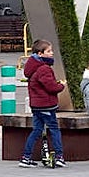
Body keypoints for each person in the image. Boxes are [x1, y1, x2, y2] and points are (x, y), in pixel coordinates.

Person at [19, 40, 67, 168]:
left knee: (37, 130)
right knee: (54, 130)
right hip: (46, 105)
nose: (52, 53)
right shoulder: (44, 69)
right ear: (40, 54)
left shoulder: (33, 68)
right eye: (49, 51)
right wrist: (61, 85)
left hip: (36, 105)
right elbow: (51, 88)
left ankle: (26, 157)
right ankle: (59, 156)